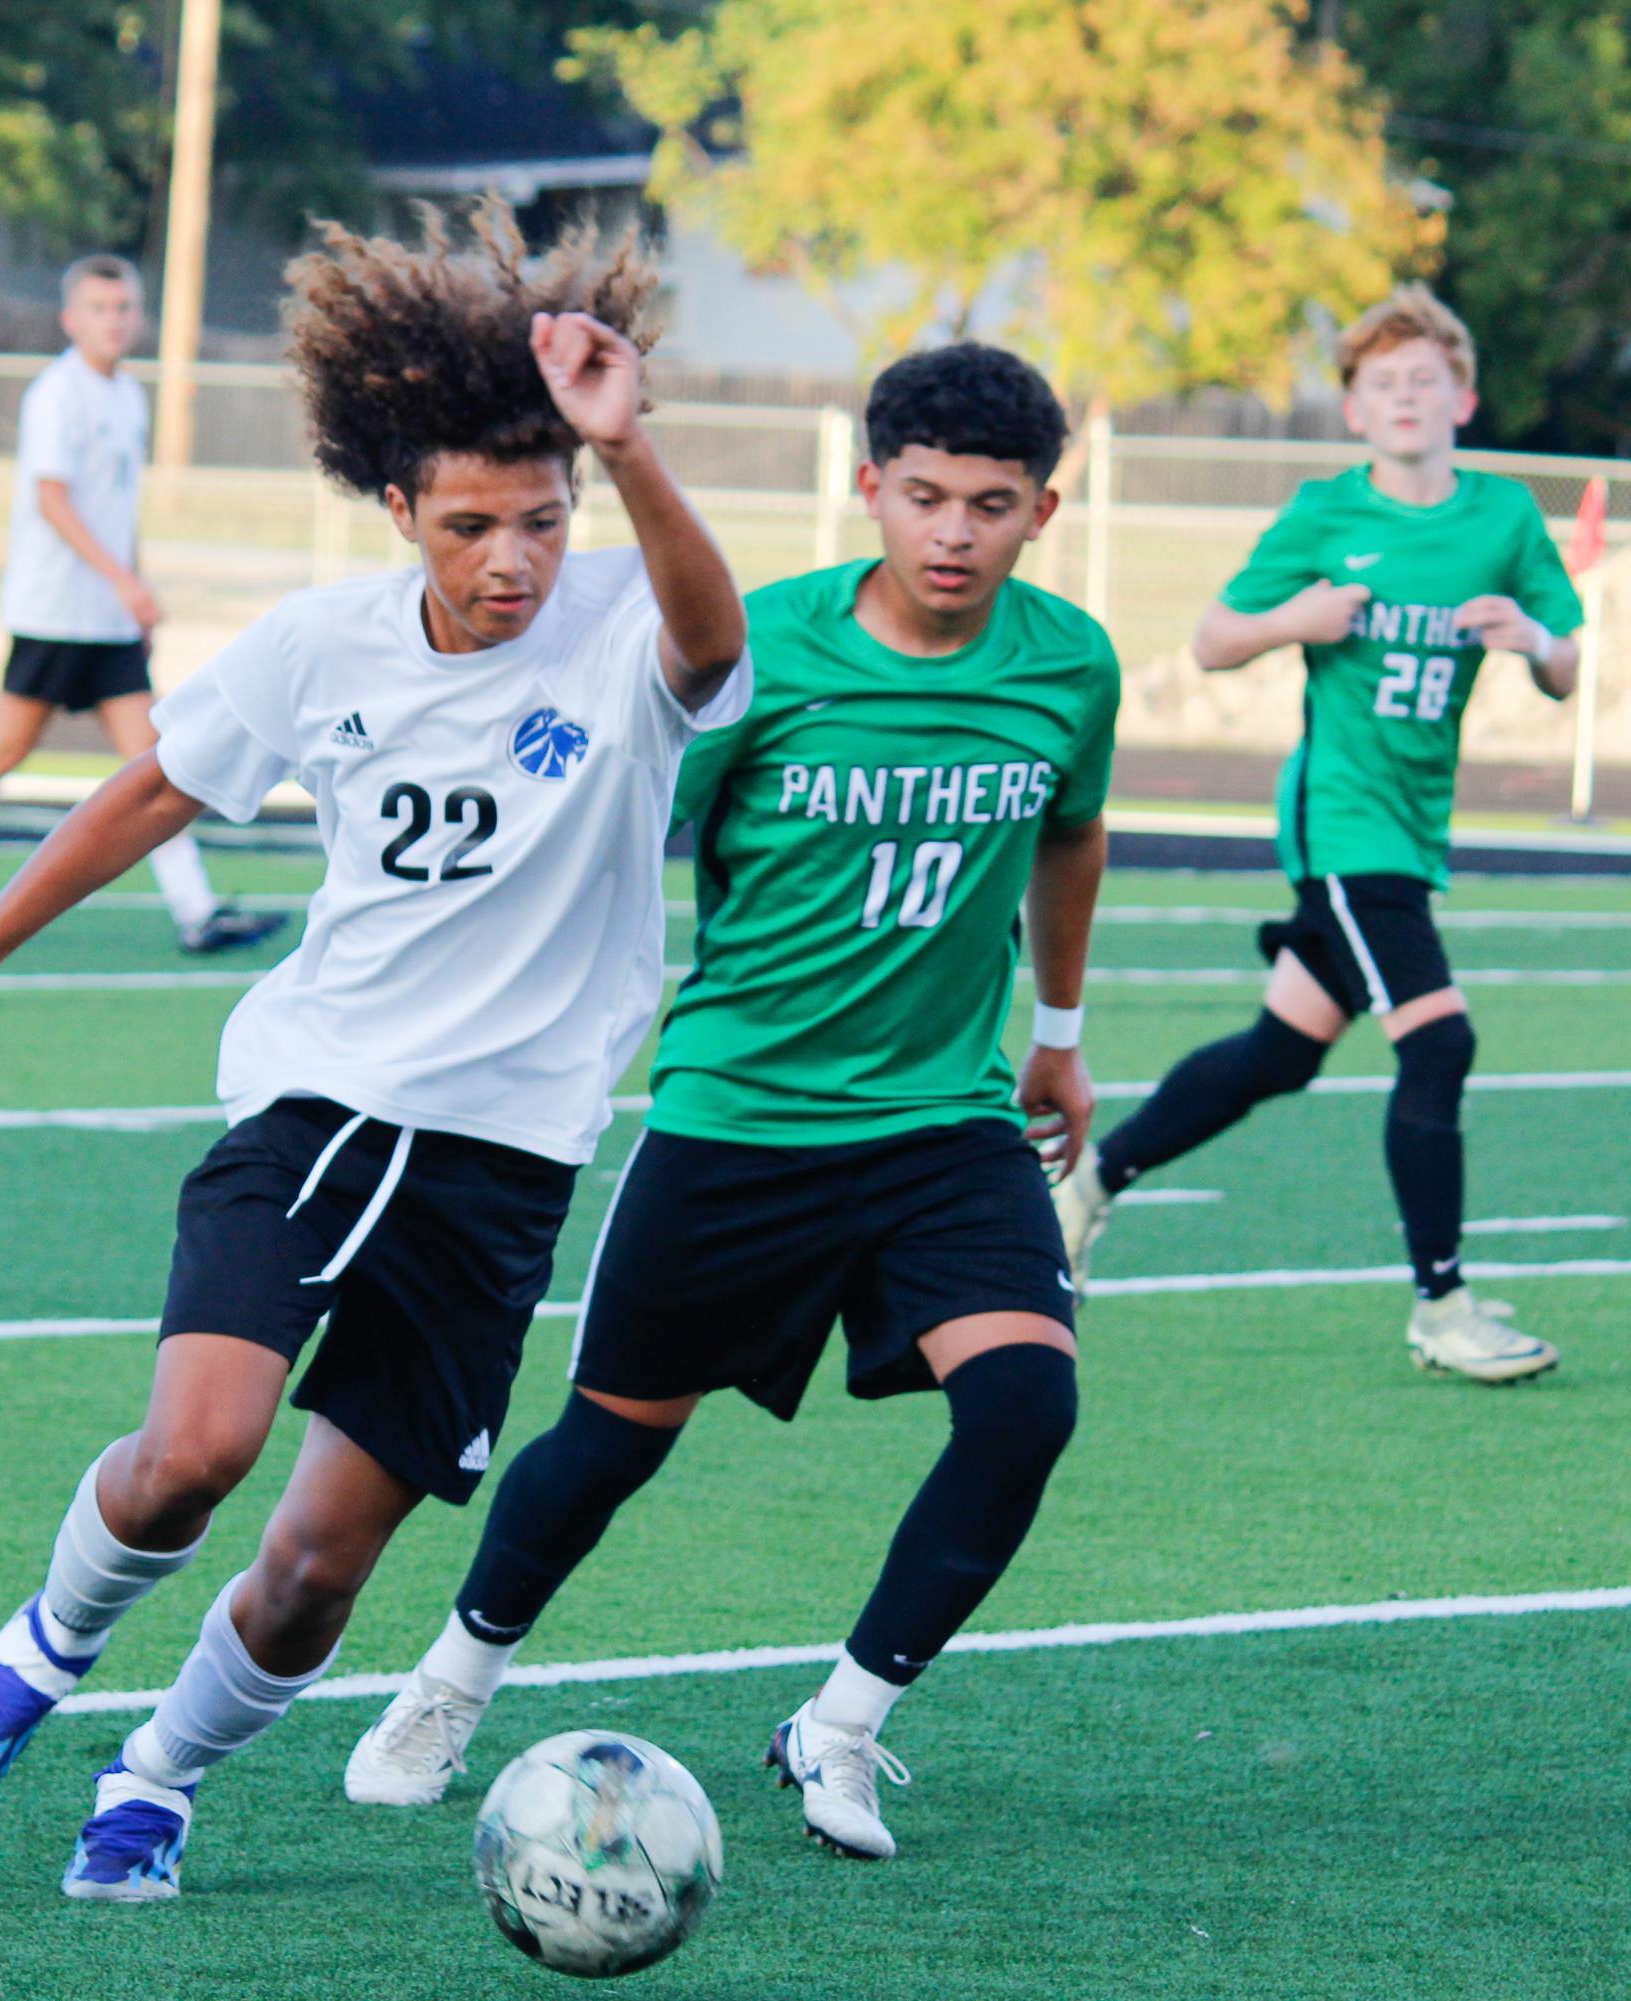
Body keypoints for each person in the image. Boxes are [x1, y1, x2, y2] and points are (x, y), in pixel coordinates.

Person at [0, 203, 749, 1901]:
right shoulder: (318, 644)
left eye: (542, 522)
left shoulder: (631, 614)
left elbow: (711, 648)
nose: (514, 561)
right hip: (319, 1101)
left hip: (504, 1165)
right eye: (473, 525)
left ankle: (157, 1778)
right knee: (195, 1448)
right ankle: (41, 1648)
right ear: (401, 510)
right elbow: (149, 791)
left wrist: (624, 446)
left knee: (317, 1571)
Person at [341, 342, 1118, 1863]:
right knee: (611, 1442)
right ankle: (449, 1678)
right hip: (737, 1118)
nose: (952, 533)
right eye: (922, 497)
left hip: (942, 1124)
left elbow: (1070, 836)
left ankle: (837, 1725)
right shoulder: (761, 650)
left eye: (989, 504)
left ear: (1040, 509)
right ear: (866, 487)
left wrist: (1059, 1033)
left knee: (1025, 1404)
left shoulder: (1067, 662)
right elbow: (608, 829)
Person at [1059, 285, 1582, 1384]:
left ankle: (1087, 1186)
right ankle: (1441, 1306)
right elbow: (1210, 642)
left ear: (1463, 398)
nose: (1404, 396)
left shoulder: (1503, 518)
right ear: (1351, 409)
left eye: (1423, 379)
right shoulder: (1321, 514)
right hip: (1341, 823)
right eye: (1380, 382)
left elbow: (1566, 670)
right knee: (1440, 1043)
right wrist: (1294, 621)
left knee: (1279, 1055)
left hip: (1410, 823)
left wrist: (1531, 636)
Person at [0, 252, 285, 956]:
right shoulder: (57, 394)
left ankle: (196, 912)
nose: (113, 321)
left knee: (159, 761)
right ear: (72, 319)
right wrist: (119, 579)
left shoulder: (128, 397)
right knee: (2, 750)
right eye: (99, 309)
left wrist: (134, 588)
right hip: (53, 613)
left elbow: (116, 513)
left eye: (124, 307)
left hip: (106, 620)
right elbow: (53, 499)